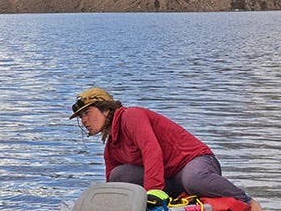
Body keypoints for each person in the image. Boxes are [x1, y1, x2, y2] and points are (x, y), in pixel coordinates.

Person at [68, 86, 254, 205]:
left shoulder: (131, 116)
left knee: (193, 179)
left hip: (195, 162)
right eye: (81, 117)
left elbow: (152, 151)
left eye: (87, 113)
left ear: (106, 109)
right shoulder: (111, 148)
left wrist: (153, 192)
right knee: (118, 175)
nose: (84, 121)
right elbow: (113, 184)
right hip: (171, 179)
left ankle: (247, 202)